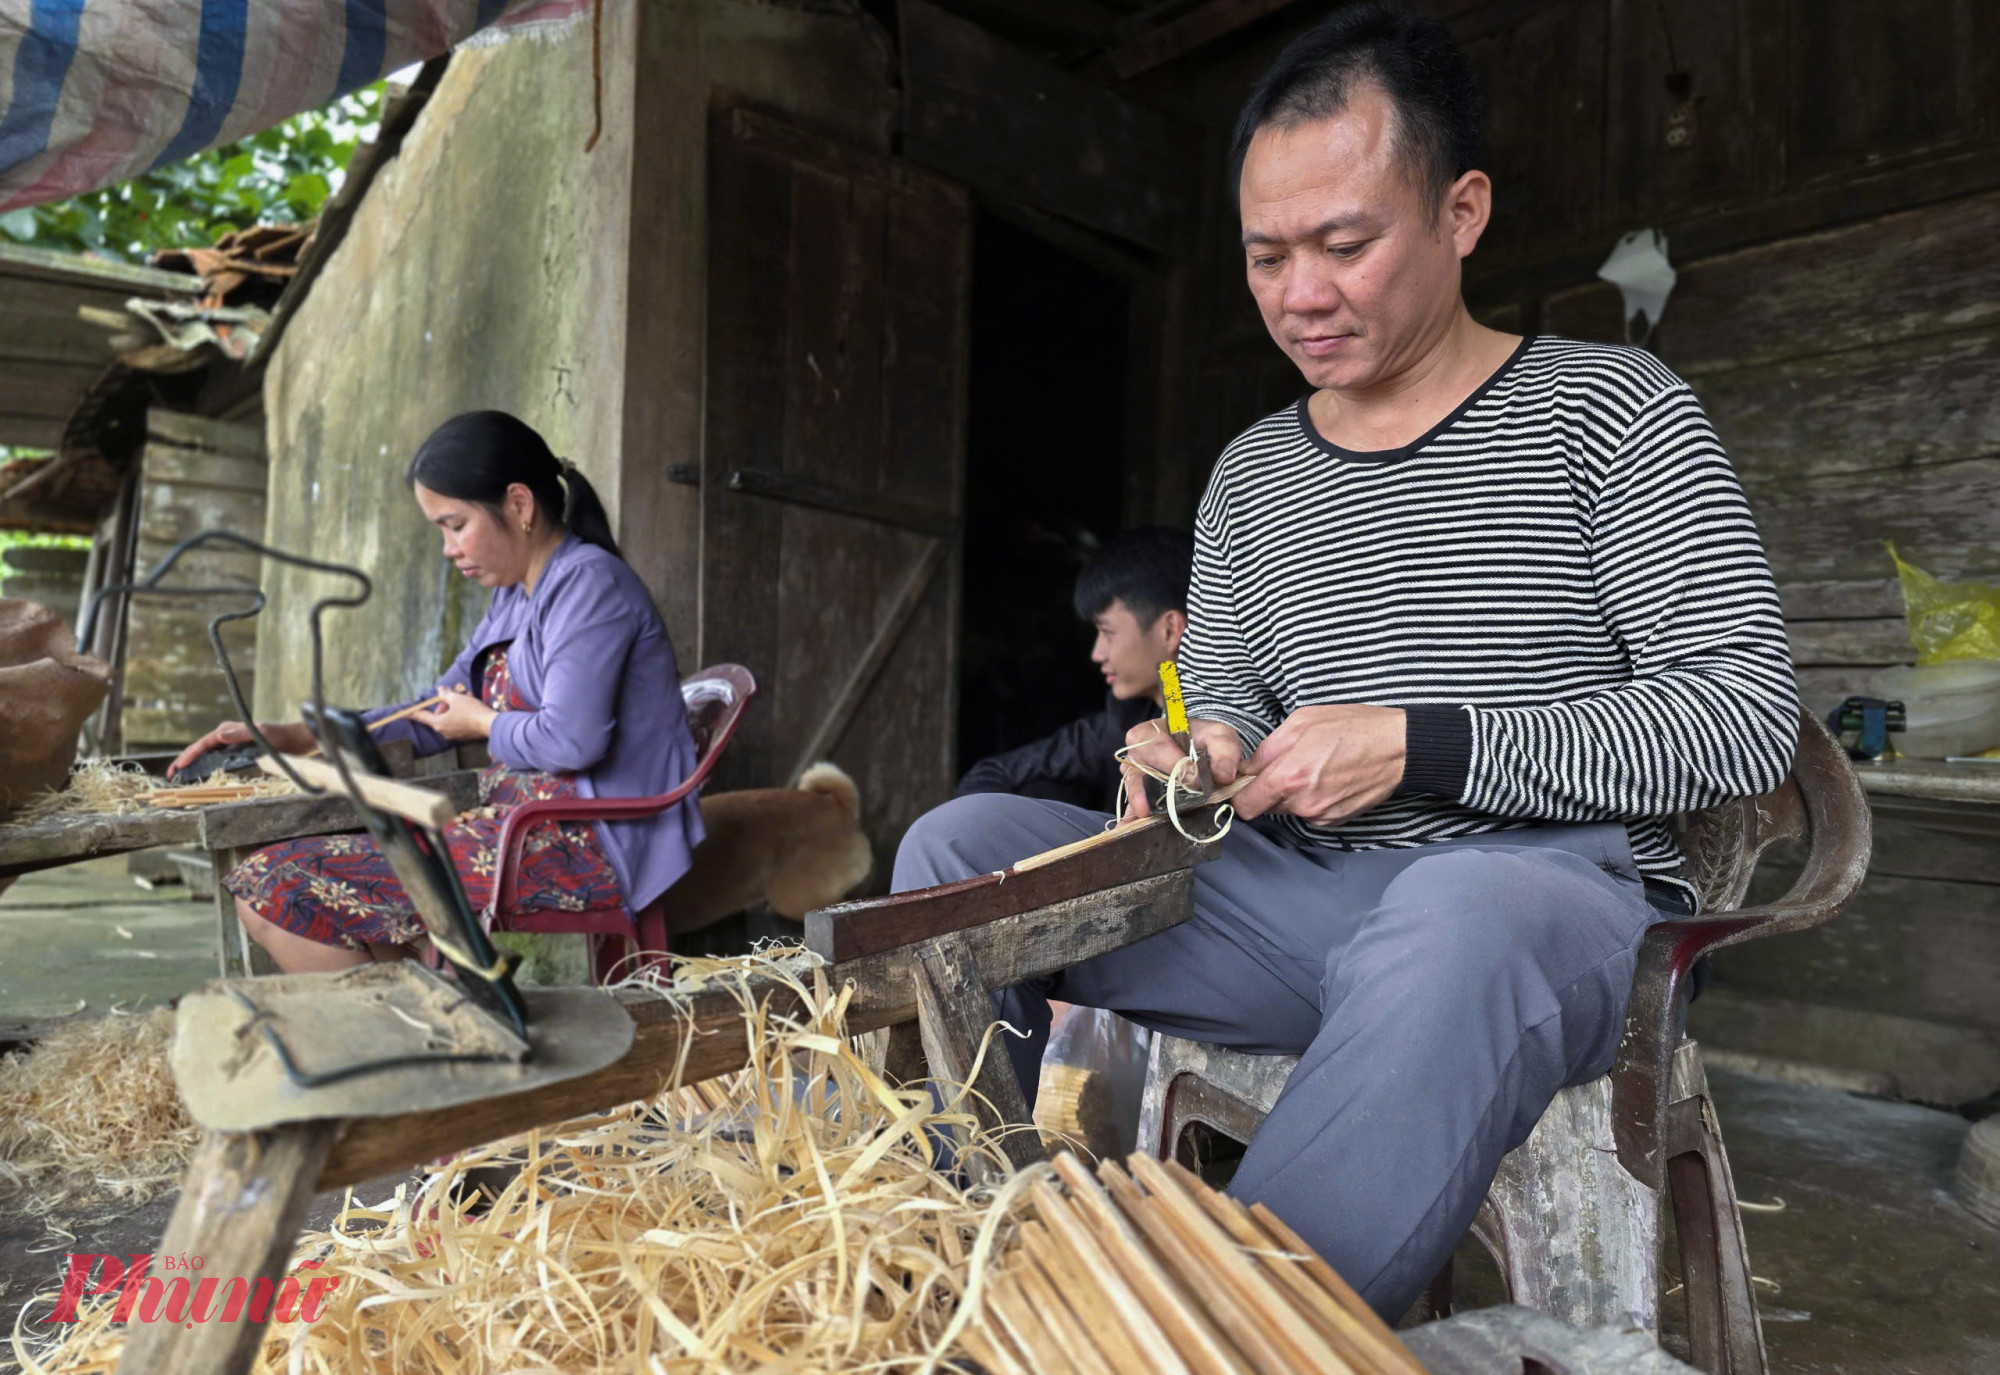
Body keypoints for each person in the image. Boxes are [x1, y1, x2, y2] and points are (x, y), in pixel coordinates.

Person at [893, 3, 1797, 1320]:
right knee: (959, 851)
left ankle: (1211, 1337)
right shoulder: (1255, 472)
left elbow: (1742, 717)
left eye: (1346, 244)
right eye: (1267, 257)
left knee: (1453, 912)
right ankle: (968, 1280)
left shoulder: (1614, 412)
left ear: (1462, 212)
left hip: (1547, 902)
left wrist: (1427, 741)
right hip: (1297, 904)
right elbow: (1241, 702)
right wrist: (1201, 753)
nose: (1299, 295)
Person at [171, 411, 704, 974]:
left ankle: (407, 1041)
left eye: (456, 524)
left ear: (519, 506)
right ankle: (440, 1023)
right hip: (524, 826)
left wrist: (482, 724)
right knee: (273, 881)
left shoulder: (588, 584)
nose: (449, 548)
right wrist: (296, 734)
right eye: (441, 530)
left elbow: (571, 742)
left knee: (275, 888)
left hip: (585, 844)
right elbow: (436, 707)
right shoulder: (518, 593)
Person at [956, 527, 1193, 811]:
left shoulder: (1199, 710)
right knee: (1034, 789)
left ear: (1170, 629)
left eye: (1107, 632)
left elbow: (1177, 705)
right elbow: (994, 773)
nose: (1096, 654)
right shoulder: (1125, 717)